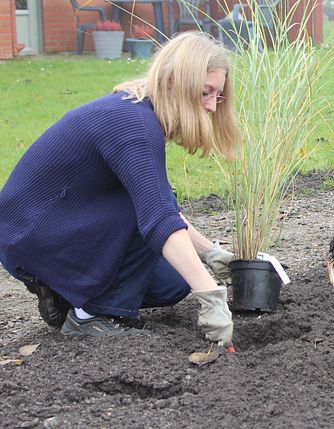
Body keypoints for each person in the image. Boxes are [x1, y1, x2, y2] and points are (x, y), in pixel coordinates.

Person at [0, 32, 238, 342]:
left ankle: (65, 294)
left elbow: (161, 207)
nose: (210, 107)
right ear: (173, 82)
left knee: (173, 282)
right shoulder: (134, 125)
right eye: (205, 93)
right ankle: (92, 316)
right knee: (149, 216)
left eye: (217, 97)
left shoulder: (139, 113)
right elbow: (159, 217)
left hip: (46, 230)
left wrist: (212, 254)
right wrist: (211, 297)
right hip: (28, 236)